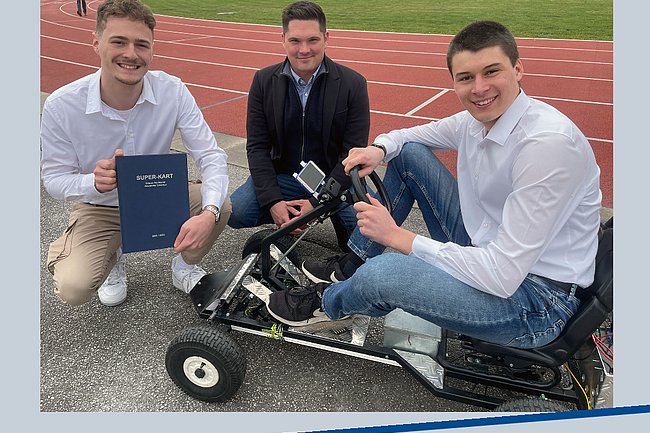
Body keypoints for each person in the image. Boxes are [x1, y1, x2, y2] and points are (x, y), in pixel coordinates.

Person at [266, 21, 602, 350]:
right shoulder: (474, 121)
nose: (479, 88)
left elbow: (502, 276)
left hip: (536, 301)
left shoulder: (547, 146)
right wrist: (378, 149)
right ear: (454, 82)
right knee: (408, 155)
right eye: (466, 78)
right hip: (490, 250)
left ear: (517, 69)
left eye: (491, 72)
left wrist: (396, 237)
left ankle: (330, 303)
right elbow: (406, 137)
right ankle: (350, 267)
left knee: (384, 273)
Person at [41, 0, 231, 307]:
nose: (131, 54)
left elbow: (211, 156)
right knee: (73, 288)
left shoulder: (172, 91)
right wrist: (92, 182)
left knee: (220, 202)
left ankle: (184, 266)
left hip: (156, 195)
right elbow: (53, 179)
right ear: (96, 43)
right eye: (119, 42)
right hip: (99, 206)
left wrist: (209, 213)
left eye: (141, 44)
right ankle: (112, 257)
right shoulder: (62, 105)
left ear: (152, 49)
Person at [227, 1, 370, 251]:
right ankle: (287, 213)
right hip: (284, 176)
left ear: (326, 38)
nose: (304, 50)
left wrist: (317, 203)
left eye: (313, 40)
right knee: (236, 211)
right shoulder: (263, 81)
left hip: (333, 178)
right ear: (283, 39)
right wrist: (273, 202)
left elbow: (351, 155)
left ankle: (331, 211)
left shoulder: (353, 84)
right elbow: (257, 147)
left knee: (365, 236)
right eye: (295, 41)